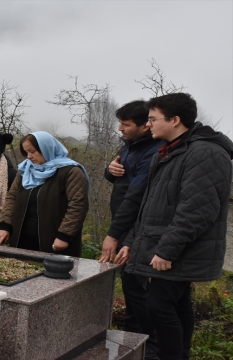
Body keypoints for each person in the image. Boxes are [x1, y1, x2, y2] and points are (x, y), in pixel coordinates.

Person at [118, 93, 232, 360]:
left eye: (153, 119)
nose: (149, 125)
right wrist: (132, 240)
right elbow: (150, 206)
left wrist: (167, 250)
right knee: (176, 304)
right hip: (166, 245)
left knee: (158, 305)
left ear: (176, 120)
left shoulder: (205, 153)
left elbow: (198, 210)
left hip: (181, 249)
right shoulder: (171, 150)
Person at [97, 100, 162, 358]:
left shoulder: (153, 152)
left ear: (145, 126)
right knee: (131, 286)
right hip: (126, 227)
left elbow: (136, 195)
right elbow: (121, 177)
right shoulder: (130, 147)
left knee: (138, 288)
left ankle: (147, 344)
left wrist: (115, 235)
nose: (120, 128)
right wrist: (110, 172)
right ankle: (134, 339)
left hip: (137, 229)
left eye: (126, 124)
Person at [0, 131, 89, 257]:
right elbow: (12, 198)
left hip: (54, 241)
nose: (29, 156)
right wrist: (4, 225)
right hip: (22, 238)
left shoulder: (70, 172)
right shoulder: (26, 170)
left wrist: (64, 236)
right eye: (26, 152)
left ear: (45, 148)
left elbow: (78, 206)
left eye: (32, 151)